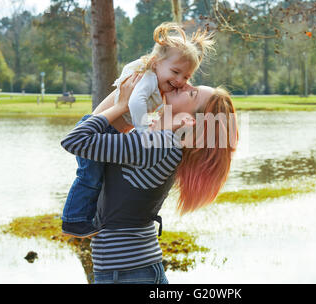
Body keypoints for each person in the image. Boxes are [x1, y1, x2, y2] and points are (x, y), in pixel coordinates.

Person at [60, 73, 238, 284]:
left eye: (192, 93)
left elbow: (76, 140)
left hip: (127, 274)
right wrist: (139, 84)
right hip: (132, 270)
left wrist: (122, 104)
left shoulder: (158, 146)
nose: (185, 84)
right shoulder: (160, 141)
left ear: (190, 120)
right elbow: (92, 130)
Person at [61, 22, 214, 237]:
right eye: (176, 72)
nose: (180, 81)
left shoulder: (161, 94)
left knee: (97, 180)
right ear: (155, 62)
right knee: (89, 178)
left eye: (186, 77)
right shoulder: (147, 78)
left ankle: (87, 217)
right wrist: (142, 129)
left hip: (111, 133)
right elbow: (134, 103)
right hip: (97, 128)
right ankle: (73, 220)